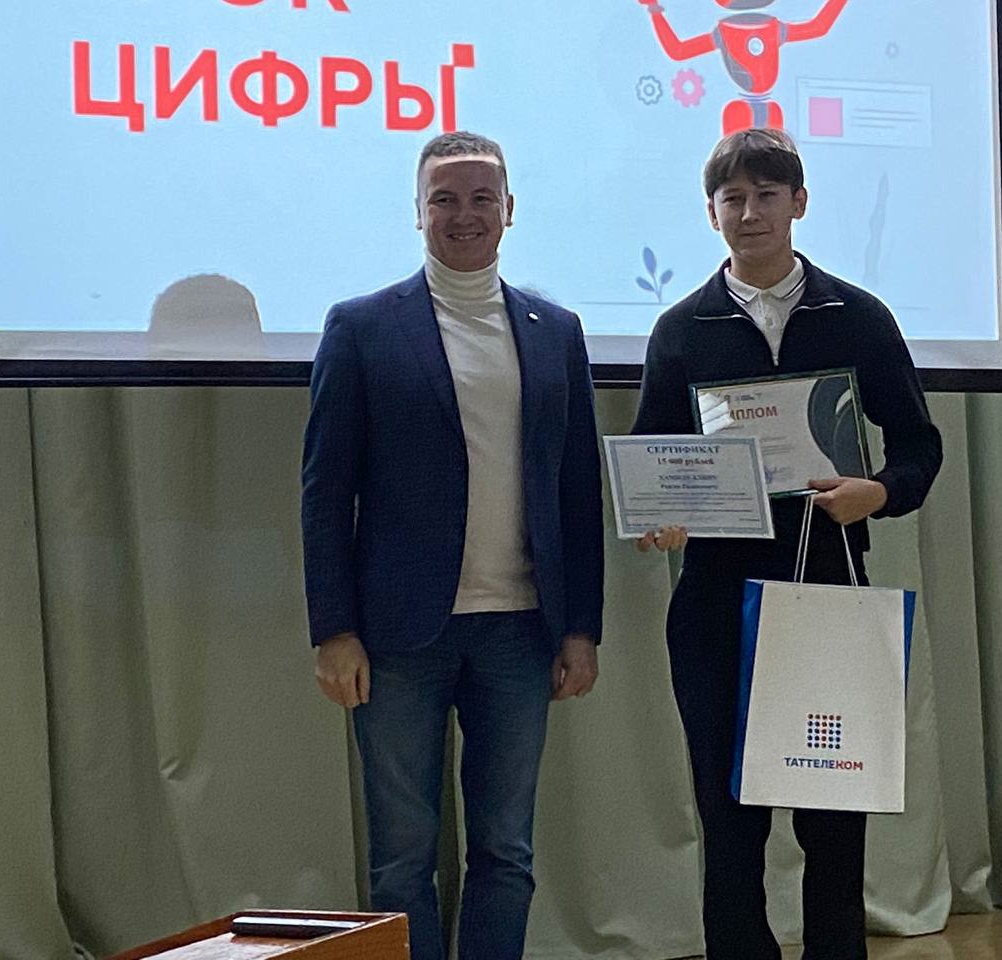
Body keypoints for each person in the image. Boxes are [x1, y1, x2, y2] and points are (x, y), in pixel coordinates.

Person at [632, 128, 942, 960]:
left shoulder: (858, 317)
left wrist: (879, 492)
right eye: (732, 198)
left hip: (829, 596)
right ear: (711, 213)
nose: (750, 212)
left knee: (834, 821)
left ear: (799, 203)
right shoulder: (680, 328)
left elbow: (919, 446)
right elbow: (655, 457)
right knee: (730, 821)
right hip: (715, 605)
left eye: (767, 195)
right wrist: (663, 514)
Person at [301, 131, 604, 960]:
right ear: (418, 212)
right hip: (398, 637)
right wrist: (334, 630)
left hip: (521, 631)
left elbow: (577, 489)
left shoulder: (556, 330)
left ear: (509, 210)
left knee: (506, 852)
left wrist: (582, 627)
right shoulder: (361, 327)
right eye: (444, 199)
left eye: (480, 198)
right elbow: (325, 492)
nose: (463, 215)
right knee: (402, 860)